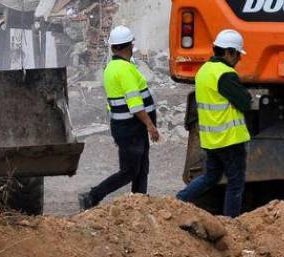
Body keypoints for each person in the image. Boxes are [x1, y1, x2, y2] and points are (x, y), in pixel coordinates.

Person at [78, 25, 159, 209]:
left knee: (140, 169)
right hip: (132, 128)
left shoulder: (111, 68)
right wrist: (150, 125)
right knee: (130, 171)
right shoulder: (125, 69)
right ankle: (92, 196)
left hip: (126, 128)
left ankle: (139, 204)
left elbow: (113, 103)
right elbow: (135, 104)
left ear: (113, 47)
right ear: (128, 46)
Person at [176, 29, 252, 217]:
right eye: (237, 55)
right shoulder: (225, 74)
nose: (239, 60)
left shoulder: (204, 71)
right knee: (235, 182)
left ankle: (180, 199)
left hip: (212, 139)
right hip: (230, 140)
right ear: (229, 52)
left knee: (211, 176)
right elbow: (245, 102)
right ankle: (230, 222)